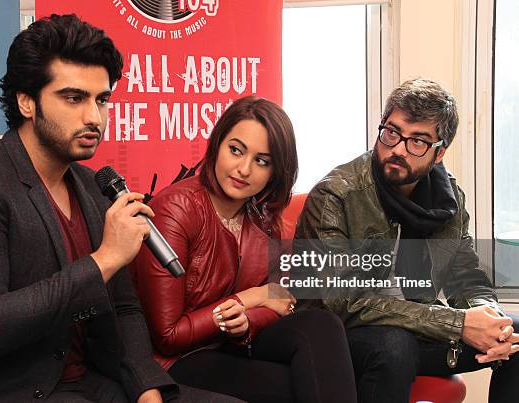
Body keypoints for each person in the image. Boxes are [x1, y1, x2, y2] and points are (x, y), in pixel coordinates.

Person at [0, 14, 238, 402]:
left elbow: (125, 308)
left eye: (102, 100)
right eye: (74, 98)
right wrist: (105, 259)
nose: (94, 118)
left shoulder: (92, 187)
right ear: (27, 102)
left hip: (83, 378)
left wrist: (147, 388)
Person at [295, 78, 519, 403]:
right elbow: (343, 302)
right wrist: (456, 324)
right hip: (338, 333)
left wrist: (487, 316)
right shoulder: (337, 195)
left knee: (513, 335)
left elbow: (466, 276)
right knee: (394, 347)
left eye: (417, 141)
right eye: (392, 132)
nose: (398, 149)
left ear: (439, 152)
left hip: (417, 325)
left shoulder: (448, 199)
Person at [131, 96, 357, 403]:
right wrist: (248, 299)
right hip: (180, 359)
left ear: (275, 171)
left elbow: (280, 298)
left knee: (321, 326)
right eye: (235, 150)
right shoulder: (176, 210)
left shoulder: (263, 215)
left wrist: (248, 320)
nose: (244, 169)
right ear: (217, 145)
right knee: (295, 386)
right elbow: (168, 336)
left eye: (262, 161)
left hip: (232, 342)